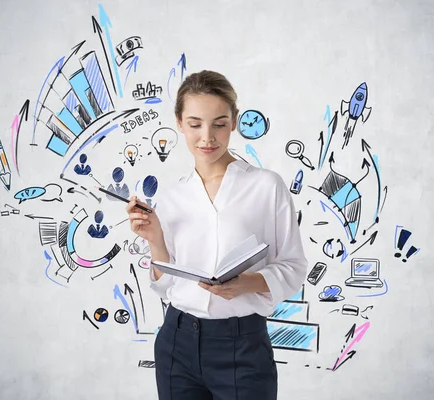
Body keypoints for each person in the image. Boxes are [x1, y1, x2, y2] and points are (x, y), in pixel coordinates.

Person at [126, 70, 308, 400]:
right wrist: (155, 239)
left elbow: (294, 267)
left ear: (235, 122)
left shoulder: (266, 186)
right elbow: (166, 284)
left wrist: (248, 283)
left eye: (219, 123)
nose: (207, 137)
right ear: (179, 123)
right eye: (195, 124)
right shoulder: (171, 197)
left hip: (242, 346)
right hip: (176, 342)